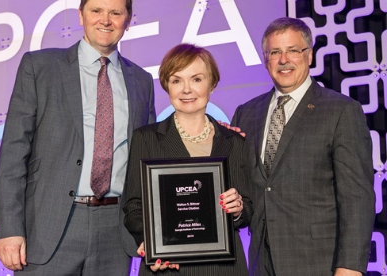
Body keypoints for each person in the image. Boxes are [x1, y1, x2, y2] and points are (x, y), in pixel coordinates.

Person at [0, 0, 155, 275]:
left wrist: (213, 131)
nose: (106, 20)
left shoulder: (142, 81)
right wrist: (9, 228)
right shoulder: (40, 67)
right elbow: (13, 153)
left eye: (116, 13)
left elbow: (151, 155)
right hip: (49, 226)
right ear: (81, 15)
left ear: (128, 21)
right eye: (97, 11)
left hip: (115, 231)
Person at [231, 16, 375, 275]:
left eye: (293, 51)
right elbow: (249, 194)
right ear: (266, 59)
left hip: (319, 263)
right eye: (275, 52)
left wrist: (351, 267)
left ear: (309, 56)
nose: (283, 60)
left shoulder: (341, 111)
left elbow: (357, 198)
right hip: (261, 263)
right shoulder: (246, 113)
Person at [123, 43, 253, 275]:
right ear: (167, 86)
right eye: (176, 80)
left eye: (196, 79)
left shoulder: (234, 141)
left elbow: (249, 208)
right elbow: (133, 206)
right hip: (167, 267)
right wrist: (152, 244)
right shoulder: (145, 138)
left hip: (222, 268)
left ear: (212, 84)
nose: (186, 90)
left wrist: (238, 209)